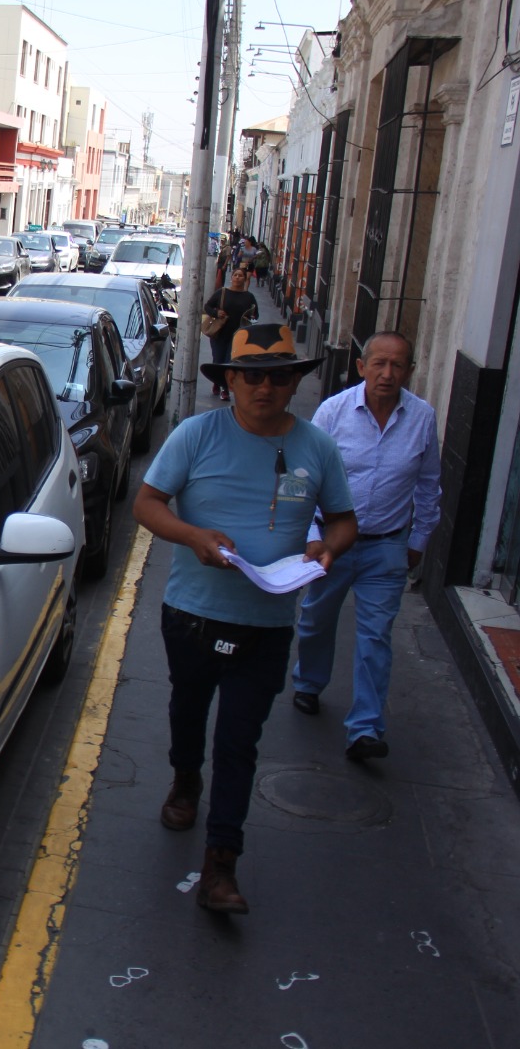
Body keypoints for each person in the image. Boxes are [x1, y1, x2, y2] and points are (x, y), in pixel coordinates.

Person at [133, 322, 356, 914]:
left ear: (293, 384)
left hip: (268, 623)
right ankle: (185, 778)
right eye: (251, 375)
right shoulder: (195, 434)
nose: (264, 387)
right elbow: (147, 504)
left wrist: (326, 549)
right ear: (228, 381)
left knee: (239, 740)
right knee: (188, 711)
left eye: (278, 377)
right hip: (193, 615)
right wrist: (193, 536)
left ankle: (221, 866)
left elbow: (343, 519)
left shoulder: (317, 447)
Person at [291, 331, 441, 761]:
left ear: (410, 371)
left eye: (397, 366)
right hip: (332, 542)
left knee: (376, 637)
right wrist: (312, 537)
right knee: (317, 618)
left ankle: (365, 729)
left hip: (387, 547)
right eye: (379, 364)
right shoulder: (333, 413)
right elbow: (301, 478)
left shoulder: (423, 419)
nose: (387, 374)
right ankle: (308, 682)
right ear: (361, 367)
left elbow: (429, 486)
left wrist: (418, 540)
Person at [201, 266, 259, 402]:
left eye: (240, 275)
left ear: (245, 279)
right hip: (220, 333)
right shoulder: (222, 293)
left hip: (238, 335)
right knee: (218, 360)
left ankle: (224, 389)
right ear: (231, 277)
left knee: (229, 362)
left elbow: (255, 313)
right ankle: (217, 381)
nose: (238, 277)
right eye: (235, 275)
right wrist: (216, 313)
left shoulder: (249, 297)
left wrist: (250, 317)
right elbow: (207, 306)